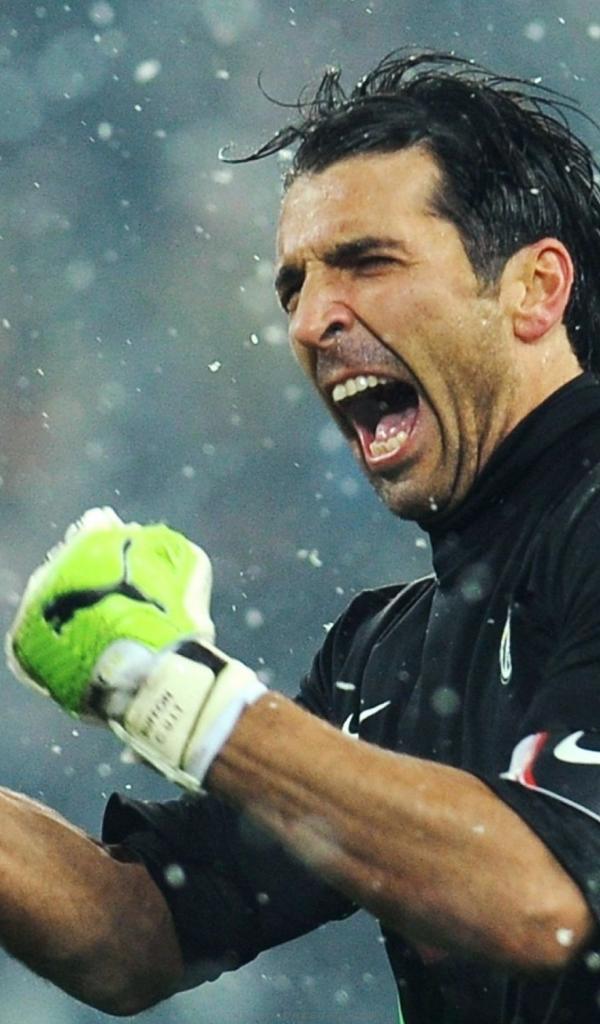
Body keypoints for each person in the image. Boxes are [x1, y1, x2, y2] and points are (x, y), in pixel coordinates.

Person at [3, 50, 600, 1024]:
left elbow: (543, 898)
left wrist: (168, 687)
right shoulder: (389, 657)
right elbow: (137, 935)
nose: (314, 320)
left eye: (368, 262)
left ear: (535, 288)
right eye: (294, 287)